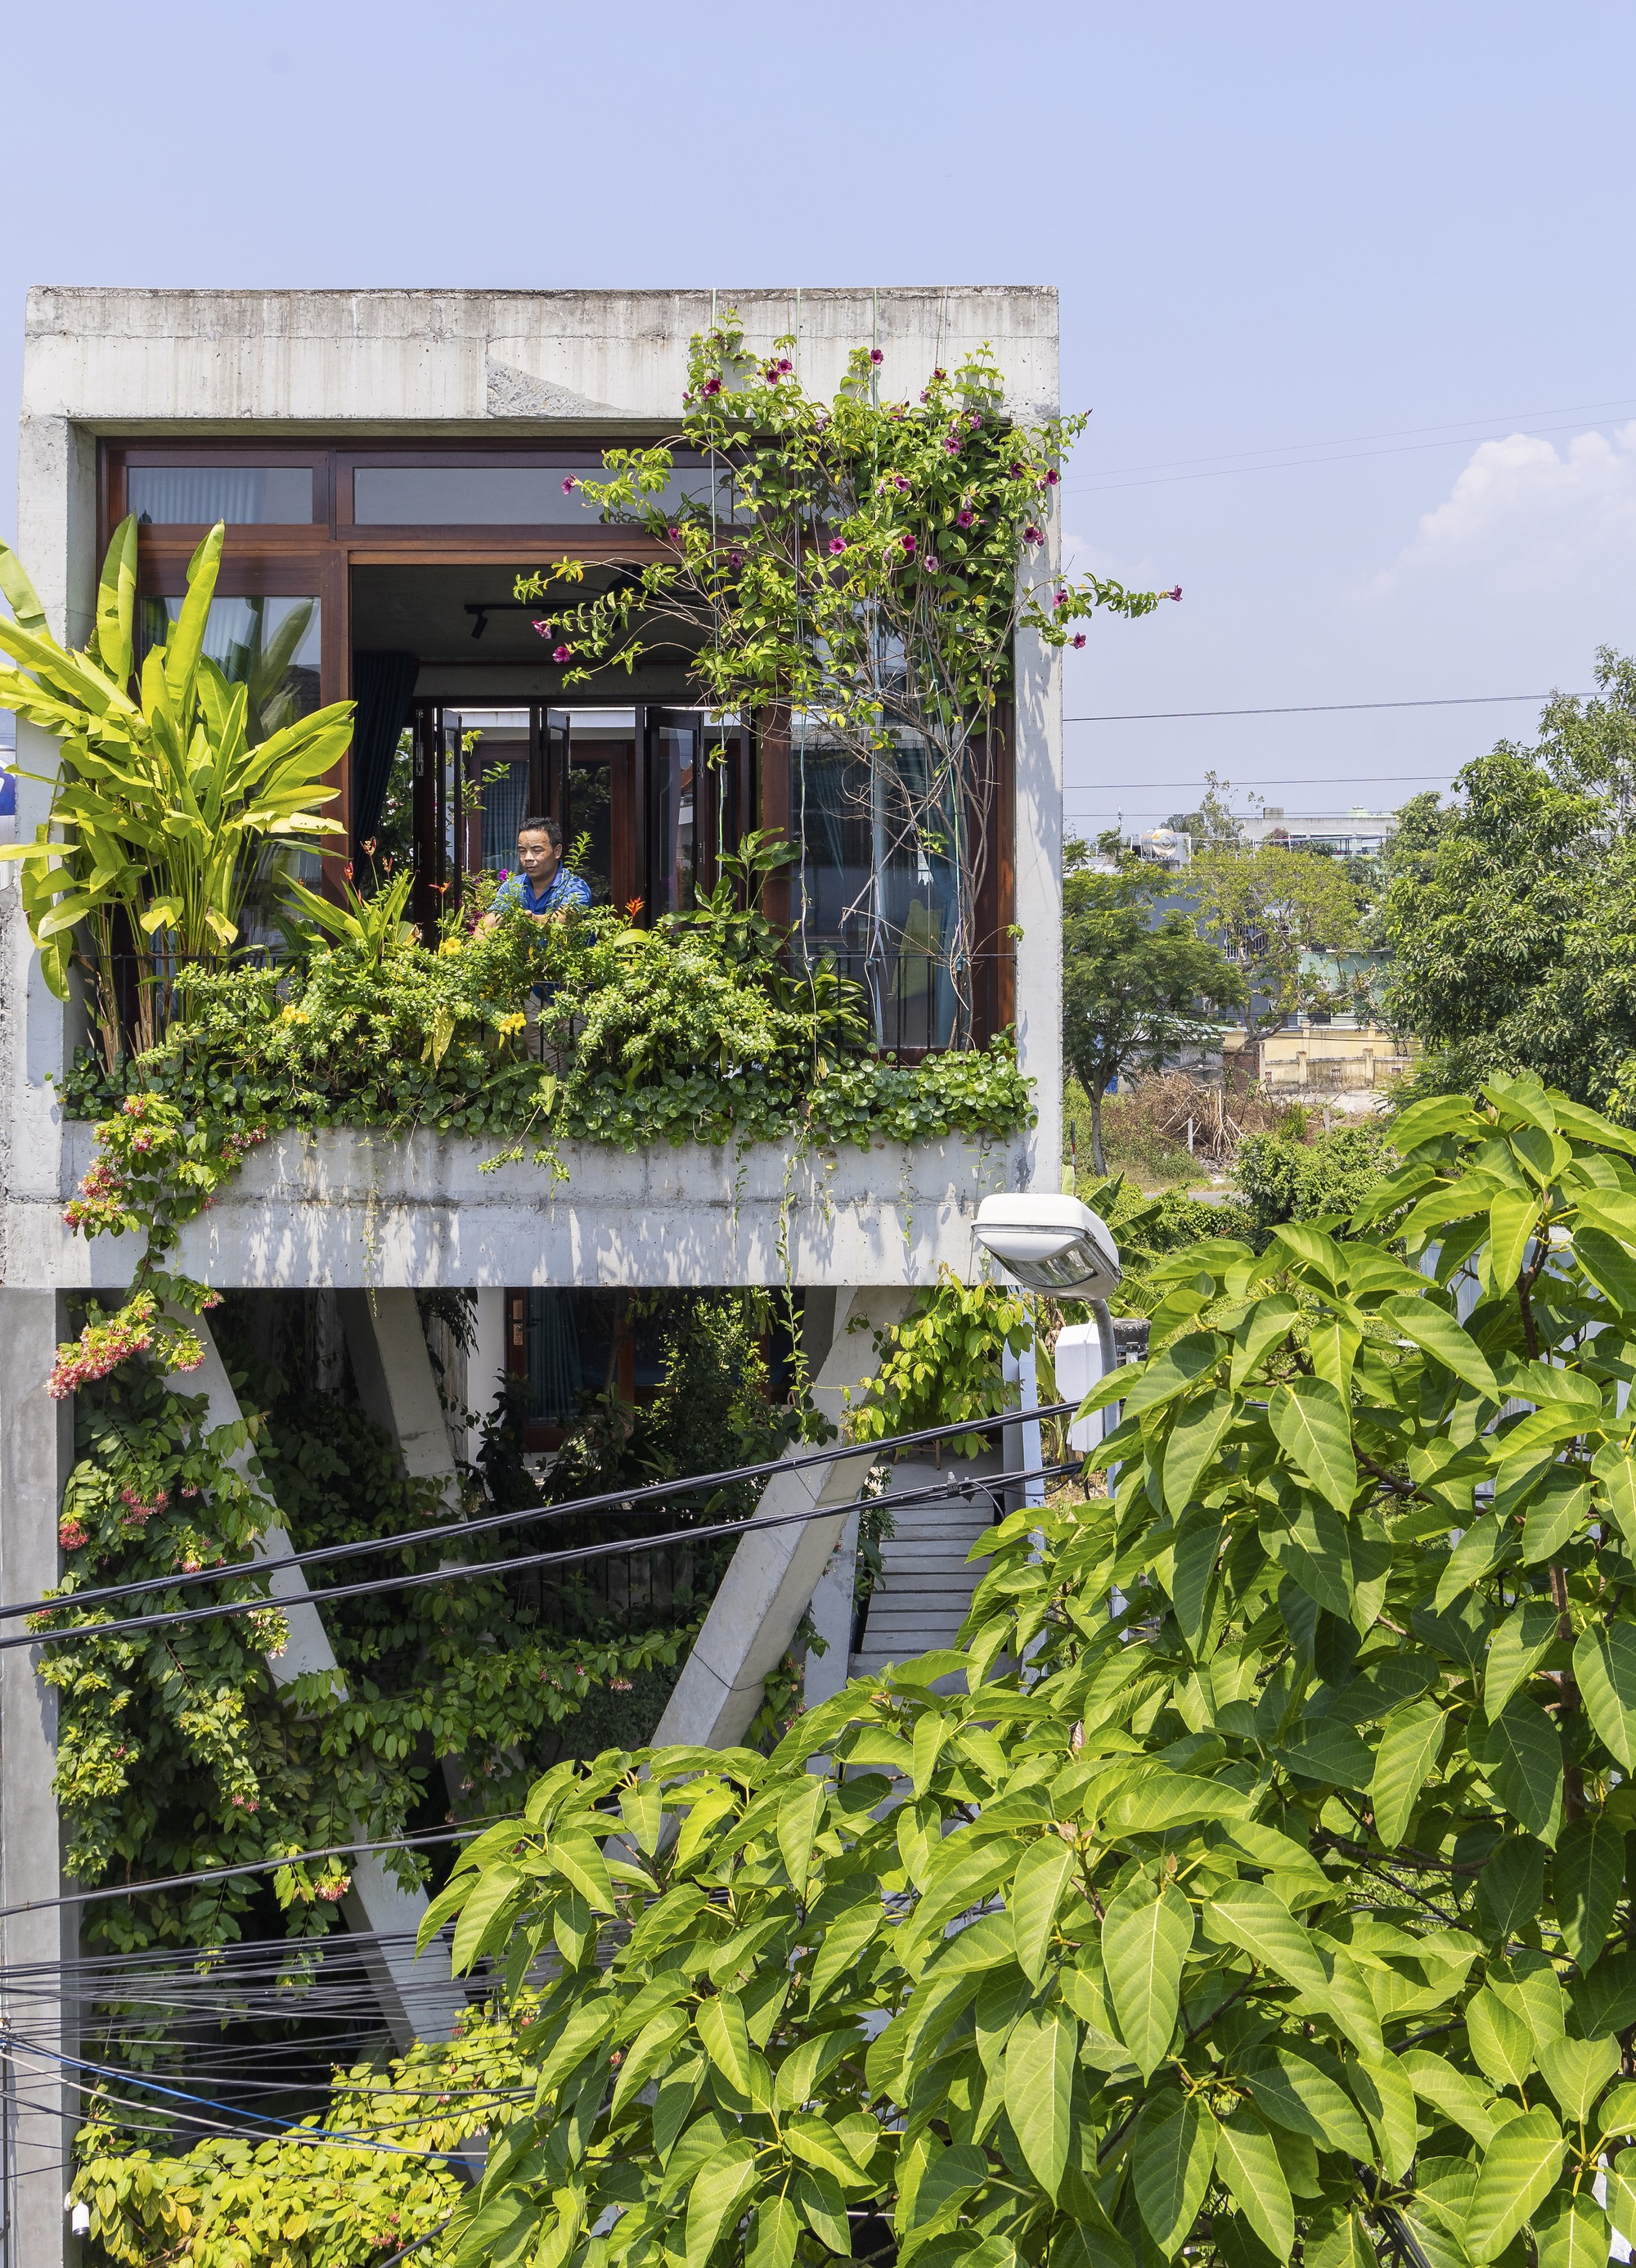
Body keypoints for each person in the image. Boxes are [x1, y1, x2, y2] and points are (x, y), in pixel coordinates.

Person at [485, 817, 592, 926]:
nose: (528, 858)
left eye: (537, 851)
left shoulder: (576, 887)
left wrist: (529, 919)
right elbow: (489, 923)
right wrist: (475, 942)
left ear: (557, 851)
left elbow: (565, 919)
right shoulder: (512, 887)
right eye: (522, 851)